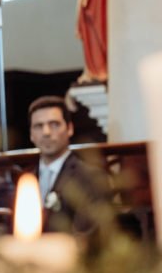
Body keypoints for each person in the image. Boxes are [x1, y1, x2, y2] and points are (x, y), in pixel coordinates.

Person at [27, 95, 111, 233]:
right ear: (31, 135)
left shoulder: (90, 177)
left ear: (70, 129)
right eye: (38, 126)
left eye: (54, 124)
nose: (46, 132)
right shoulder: (26, 180)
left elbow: (89, 232)